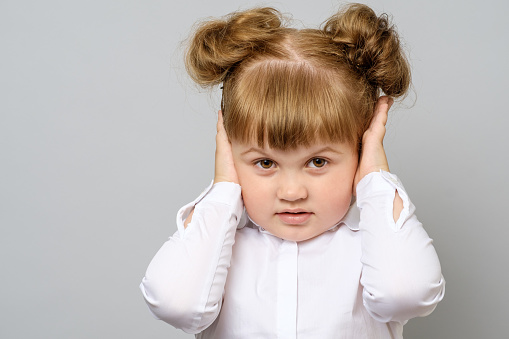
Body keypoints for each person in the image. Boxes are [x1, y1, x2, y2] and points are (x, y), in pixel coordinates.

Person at [140, 3, 445, 338]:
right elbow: (176, 304)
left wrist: (373, 176)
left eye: (317, 162)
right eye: (265, 163)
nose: (291, 192)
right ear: (229, 151)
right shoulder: (217, 249)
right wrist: (225, 187)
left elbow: (407, 295)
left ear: (359, 152)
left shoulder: (374, 248)